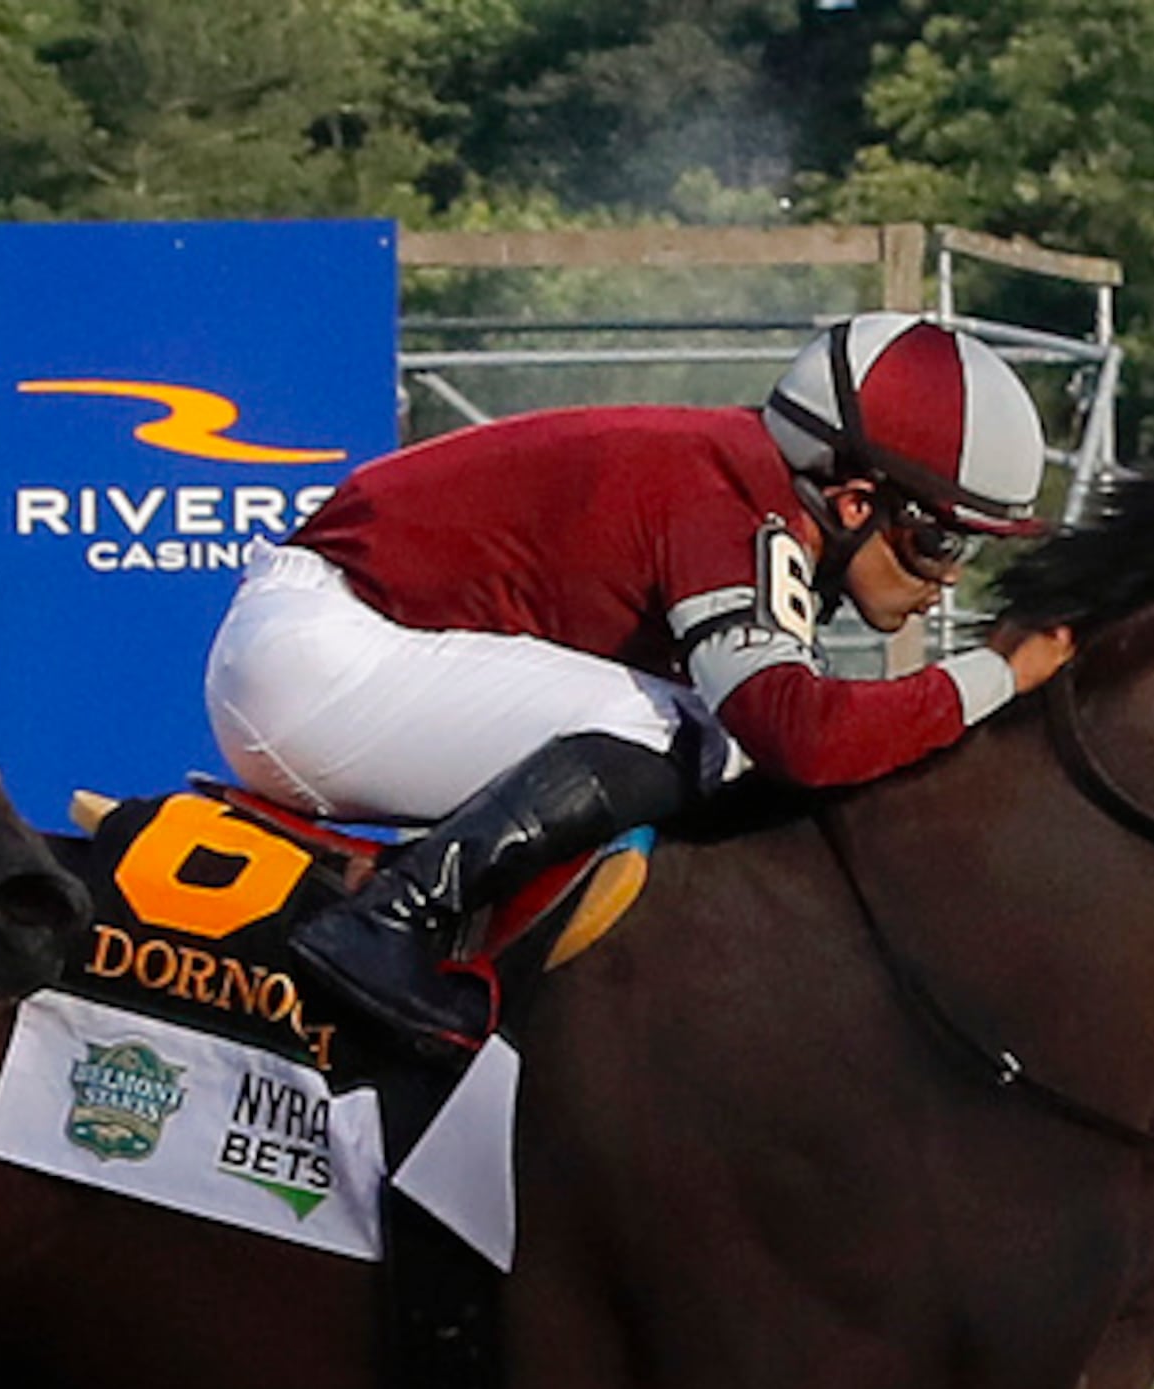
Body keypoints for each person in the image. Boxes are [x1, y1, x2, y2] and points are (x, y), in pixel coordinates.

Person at [203, 312, 1079, 1048]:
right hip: (317, 657)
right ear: (854, 501)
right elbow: (800, 736)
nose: (948, 580)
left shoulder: (748, 480)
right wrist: (998, 674)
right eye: (941, 542)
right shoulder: (731, 497)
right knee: (707, 733)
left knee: (702, 737)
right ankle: (393, 917)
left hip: (327, 648)